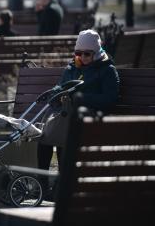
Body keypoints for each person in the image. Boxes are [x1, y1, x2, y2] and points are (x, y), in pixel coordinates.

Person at [37, 29, 120, 198]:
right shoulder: (73, 67)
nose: (82, 57)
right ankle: (42, 184)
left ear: (96, 53)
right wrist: (55, 95)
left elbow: (110, 99)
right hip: (69, 114)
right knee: (46, 137)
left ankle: (61, 184)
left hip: (92, 117)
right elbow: (60, 86)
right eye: (78, 53)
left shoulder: (107, 70)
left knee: (63, 132)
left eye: (87, 54)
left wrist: (81, 98)